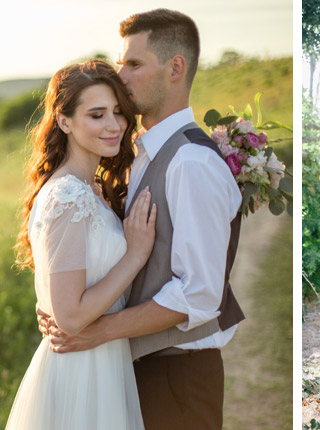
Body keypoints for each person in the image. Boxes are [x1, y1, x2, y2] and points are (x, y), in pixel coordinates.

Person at [36, 9, 245, 430]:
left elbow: (201, 294)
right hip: (132, 372)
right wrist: (64, 306)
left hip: (177, 380)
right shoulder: (141, 155)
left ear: (175, 68)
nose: (121, 74)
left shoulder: (190, 162)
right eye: (120, 62)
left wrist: (97, 329)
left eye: (132, 63)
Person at [5, 60, 154, 429]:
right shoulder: (67, 195)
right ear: (64, 120)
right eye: (97, 114)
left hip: (103, 359)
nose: (113, 125)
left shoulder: (95, 189)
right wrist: (135, 254)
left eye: (118, 112)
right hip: (81, 371)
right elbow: (70, 317)